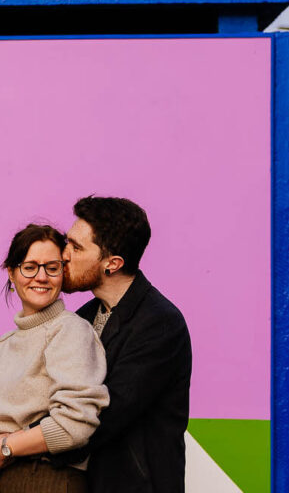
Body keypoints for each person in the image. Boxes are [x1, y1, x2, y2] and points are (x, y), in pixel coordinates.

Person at [64, 196, 192, 493]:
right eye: (66, 242)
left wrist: (15, 446)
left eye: (76, 247)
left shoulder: (160, 324)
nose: (64, 254)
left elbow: (105, 413)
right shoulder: (83, 316)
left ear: (113, 263)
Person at [0, 223, 108, 493]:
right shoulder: (4, 344)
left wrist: (6, 448)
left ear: (62, 273)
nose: (41, 277)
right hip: (4, 481)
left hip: (49, 479)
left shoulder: (70, 329)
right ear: (12, 272)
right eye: (30, 267)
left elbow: (75, 423)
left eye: (51, 267)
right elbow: (4, 424)